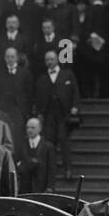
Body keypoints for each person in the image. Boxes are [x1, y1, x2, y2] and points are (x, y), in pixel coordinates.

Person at [33, 49, 80, 179]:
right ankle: (50, 172)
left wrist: (75, 106)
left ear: (57, 60)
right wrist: (39, 114)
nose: (49, 62)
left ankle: (68, 169)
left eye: (52, 59)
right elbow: (38, 98)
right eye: (47, 60)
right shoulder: (42, 79)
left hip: (64, 114)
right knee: (49, 144)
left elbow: (75, 92)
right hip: (49, 115)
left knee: (64, 141)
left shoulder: (67, 75)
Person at [0, 46, 34, 131]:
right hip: (4, 109)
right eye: (8, 57)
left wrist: (26, 110)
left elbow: (29, 93)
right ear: (5, 58)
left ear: (17, 58)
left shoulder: (25, 73)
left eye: (12, 57)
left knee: (18, 133)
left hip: (20, 109)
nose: (10, 59)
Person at [15, 116, 57, 193]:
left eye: (32, 128)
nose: (29, 130)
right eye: (27, 128)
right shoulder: (21, 145)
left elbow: (51, 168)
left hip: (41, 187)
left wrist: (50, 187)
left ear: (40, 129)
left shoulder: (48, 146)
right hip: (25, 188)